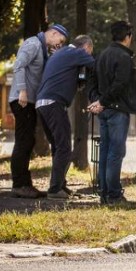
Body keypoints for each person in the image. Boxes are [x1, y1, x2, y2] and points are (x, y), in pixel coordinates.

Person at [8, 23, 69, 199]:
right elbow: (18, 66)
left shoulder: (43, 49)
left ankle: (24, 184)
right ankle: (19, 185)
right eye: (61, 40)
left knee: (27, 140)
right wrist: (22, 91)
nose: (61, 44)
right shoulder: (33, 43)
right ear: (53, 33)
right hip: (22, 99)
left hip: (29, 100)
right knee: (23, 141)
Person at [87, 21, 136, 205]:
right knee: (116, 153)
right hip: (117, 109)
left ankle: (104, 193)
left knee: (105, 152)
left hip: (104, 110)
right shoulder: (124, 57)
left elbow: (91, 83)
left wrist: (97, 101)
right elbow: (120, 84)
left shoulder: (101, 55)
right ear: (128, 36)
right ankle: (114, 195)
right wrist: (101, 102)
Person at [36, 35, 95, 199]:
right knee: (63, 147)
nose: (88, 55)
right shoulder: (77, 53)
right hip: (54, 103)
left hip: (42, 103)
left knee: (57, 146)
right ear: (85, 47)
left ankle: (60, 184)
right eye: (90, 51)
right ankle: (55, 189)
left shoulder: (61, 53)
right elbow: (96, 65)